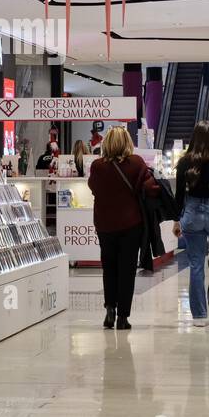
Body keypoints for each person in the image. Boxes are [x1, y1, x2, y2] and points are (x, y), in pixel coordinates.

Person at [88, 127, 159, 330]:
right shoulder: (136, 163)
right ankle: (123, 317)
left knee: (109, 267)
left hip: (105, 224)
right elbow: (148, 188)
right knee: (127, 270)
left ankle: (109, 310)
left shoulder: (97, 166)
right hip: (131, 224)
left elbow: (93, 187)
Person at [172, 121, 209, 326]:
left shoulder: (184, 162)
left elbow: (179, 196)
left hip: (192, 213)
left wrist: (176, 220)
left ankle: (198, 315)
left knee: (196, 264)